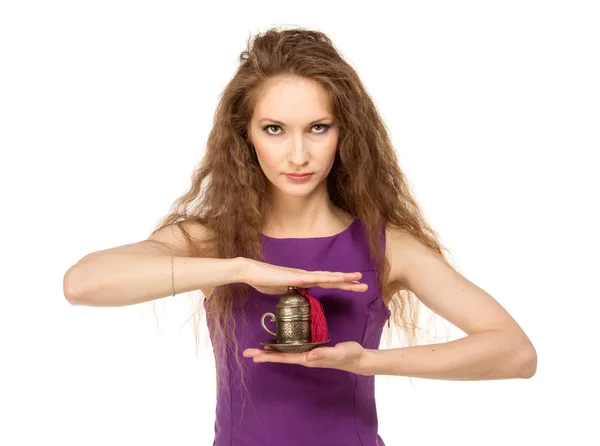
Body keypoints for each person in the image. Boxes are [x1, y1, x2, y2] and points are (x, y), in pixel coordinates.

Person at [63, 26, 537, 446]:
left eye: (317, 128)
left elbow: (515, 353)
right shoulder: (212, 242)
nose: (298, 154)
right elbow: (83, 284)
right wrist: (243, 269)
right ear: (245, 136)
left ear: (344, 132)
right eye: (274, 129)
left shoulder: (386, 247)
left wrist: (366, 363)